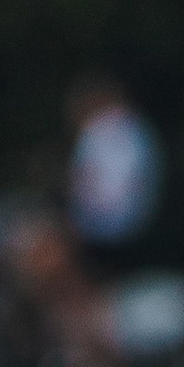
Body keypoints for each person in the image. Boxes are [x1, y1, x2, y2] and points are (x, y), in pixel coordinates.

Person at [67, 78, 163, 254]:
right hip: (127, 227)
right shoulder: (136, 129)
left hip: (111, 230)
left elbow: (87, 177)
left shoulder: (102, 131)